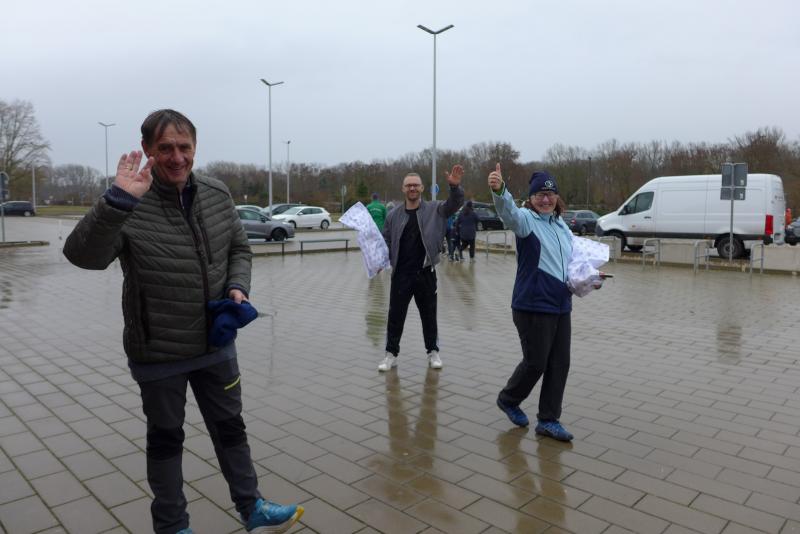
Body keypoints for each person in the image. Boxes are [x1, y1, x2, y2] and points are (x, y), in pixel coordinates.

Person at [63, 110, 304, 534]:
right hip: (159, 350)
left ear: (195, 147)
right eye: (165, 148)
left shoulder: (216, 192)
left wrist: (237, 287)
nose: (177, 157)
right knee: (166, 440)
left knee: (231, 428)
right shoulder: (128, 201)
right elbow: (84, 256)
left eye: (184, 147)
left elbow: (239, 249)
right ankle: (173, 526)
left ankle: (252, 508)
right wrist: (116, 202)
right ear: (148, 150)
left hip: (215, 342)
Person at [488, 163, 577, 442]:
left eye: (550, 194)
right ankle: (509, 399)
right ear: (531, 198)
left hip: (561, 305)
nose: (546, 199)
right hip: (532, 305)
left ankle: (548, 420)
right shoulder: (526, 220)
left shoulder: (561, 226)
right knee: (536, 362)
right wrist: (500, 191)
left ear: (557, 197)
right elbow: (509, 213)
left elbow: (574, 261)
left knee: (559, 363)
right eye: (540, 194)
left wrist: (590, 277)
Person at [377, 166, 464, 371]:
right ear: (403, 189)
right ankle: (391, 354)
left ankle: (433, 352)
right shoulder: (393, 215)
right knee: (395, 316)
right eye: (408, 185)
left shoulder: (436, 209)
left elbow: (455, 203)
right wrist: (379, 260)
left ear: (422, 188)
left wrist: (454, 187)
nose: (412, 188)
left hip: (425, 273)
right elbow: (386, 241)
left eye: (415, 185)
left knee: (429, 316)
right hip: (401, 274)